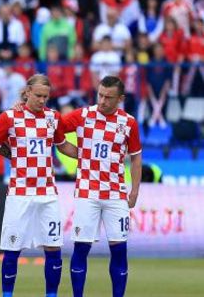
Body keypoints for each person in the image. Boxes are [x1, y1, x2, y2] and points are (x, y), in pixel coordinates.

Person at [0, 74, 69, 297]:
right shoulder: (9, 117)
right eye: (38, 95)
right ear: (27, 92)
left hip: (47, 193)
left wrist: (89, 156)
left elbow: (64, 146)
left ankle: (51, 294)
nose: (41, 100)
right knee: (11, 249)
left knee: (54, 249)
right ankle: (7, 294)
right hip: (19, 193)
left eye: (45, 96)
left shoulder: (53, 117)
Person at [57, 76, 142, 297]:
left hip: (116, 194)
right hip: (87, 193)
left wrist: (134, 190)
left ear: (121, 99)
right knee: (81, 248)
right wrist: (77, 153)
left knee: (119, 251)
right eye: (100, 95)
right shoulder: (82, 115)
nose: (103, 101)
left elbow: (136, 158)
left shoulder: (129, 122)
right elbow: (54, 129)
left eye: (109, 97)